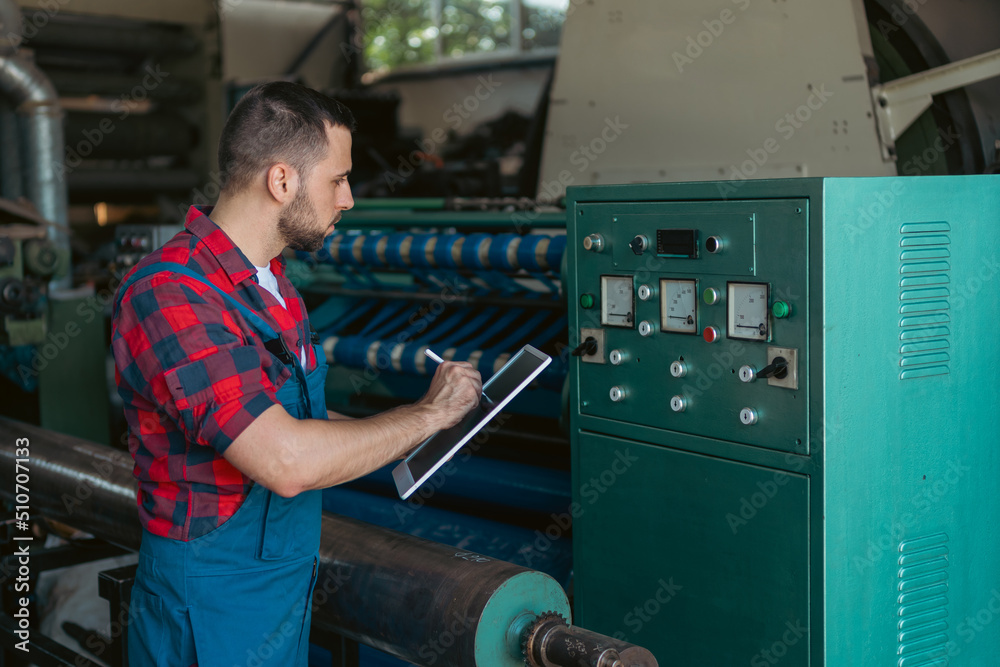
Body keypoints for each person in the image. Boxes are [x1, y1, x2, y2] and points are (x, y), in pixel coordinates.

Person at [111, 81, 482, 666]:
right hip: (211, 606)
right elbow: (284, 460)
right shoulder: (172, 293)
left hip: (279, 590)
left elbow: (291, 420)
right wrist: (426, 415)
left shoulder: (273, 283)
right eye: (337, 179)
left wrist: (419, 429)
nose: (350, 198)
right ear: (281, 181)